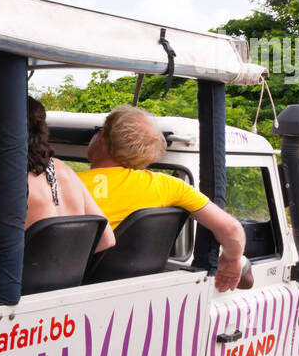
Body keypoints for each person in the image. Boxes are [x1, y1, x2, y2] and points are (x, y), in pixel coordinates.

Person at [78, 104, 246, 292]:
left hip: (78, 290)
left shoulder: (68, 185)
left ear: (101, 136)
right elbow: (231, 228)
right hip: (140, 291)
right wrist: (232, 259)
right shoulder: (170, 186)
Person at [0, 97, 115, 253]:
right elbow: (107, 240)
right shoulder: (66, 170)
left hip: (20, 277)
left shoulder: (5, 186)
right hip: (72, 276)